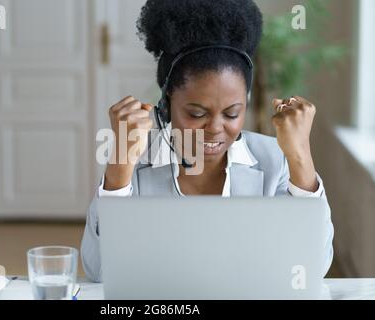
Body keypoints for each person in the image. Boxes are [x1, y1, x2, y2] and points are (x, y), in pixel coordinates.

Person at [81, 0, 334, 283]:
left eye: (232, 113)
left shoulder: (274, 160)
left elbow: (311, 265)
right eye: (196, 113)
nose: (215, 128)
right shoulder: (134, 162)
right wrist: (119, 165)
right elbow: (100, 271)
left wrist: (301, 158)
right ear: (165, 105)